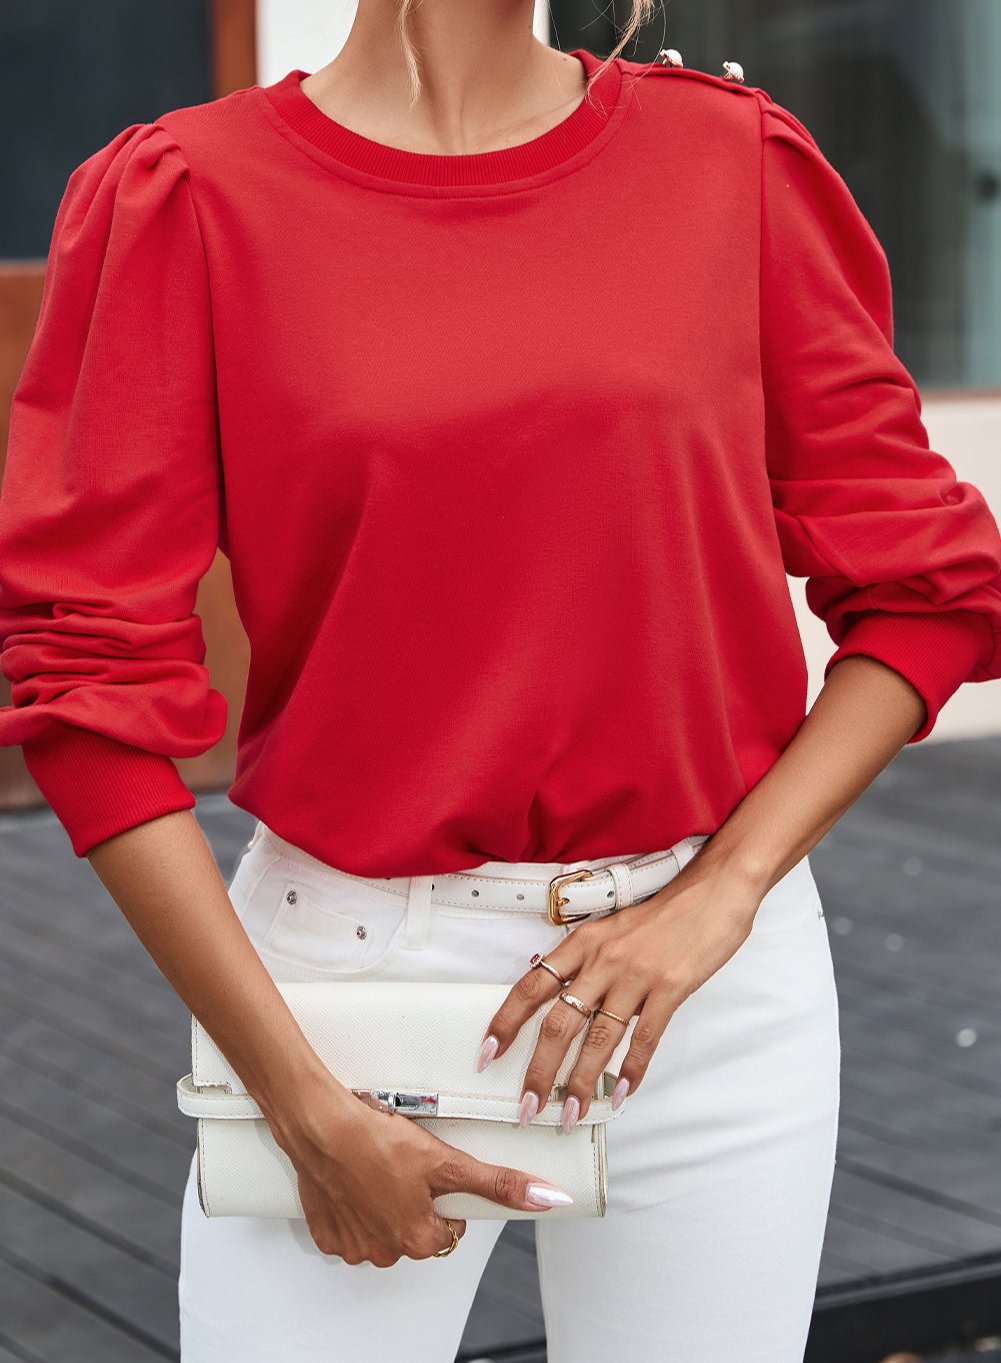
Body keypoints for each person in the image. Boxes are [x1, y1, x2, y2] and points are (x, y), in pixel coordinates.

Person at [1, 4, 1000, 1361]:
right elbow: (80, 671)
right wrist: (293, 1096)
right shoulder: (190, 195)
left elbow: (932, 587)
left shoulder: (731, 166)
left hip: (710, 979)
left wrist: (723, 893)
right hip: (343, 990)